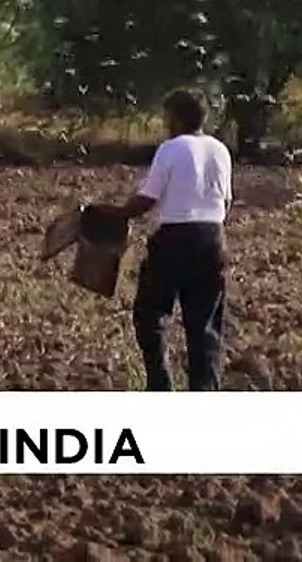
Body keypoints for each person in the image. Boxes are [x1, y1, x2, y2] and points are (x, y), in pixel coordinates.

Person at [98, 89, 233, 391]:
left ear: (177, 117)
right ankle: (205, 393)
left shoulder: (171, 149)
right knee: (205, 327)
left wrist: (116, 213)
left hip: (175, 240)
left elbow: (146, 199)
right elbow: (226, 202)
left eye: (167, 117)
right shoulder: (220, 150)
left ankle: (160, 387)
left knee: (151, 315)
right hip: (213, 240)